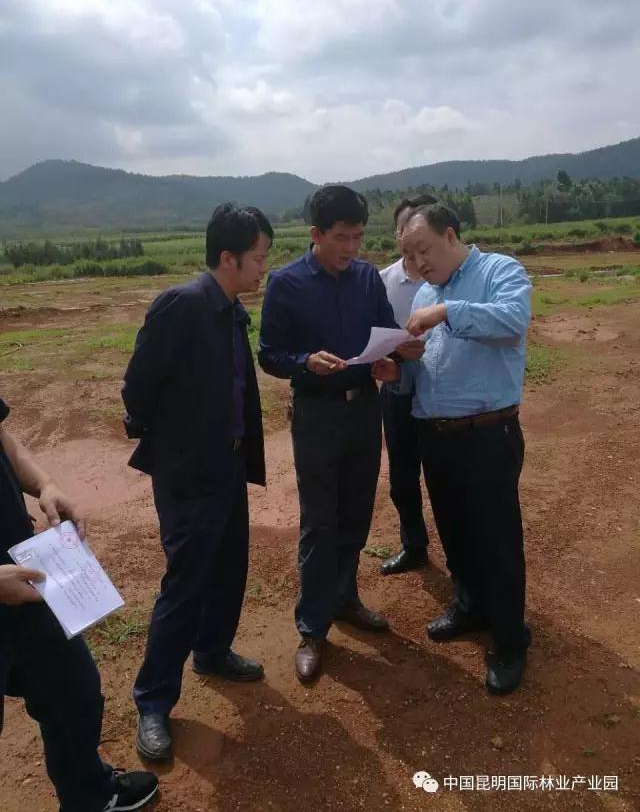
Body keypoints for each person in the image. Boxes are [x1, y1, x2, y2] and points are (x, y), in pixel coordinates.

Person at [122, 203, 271, 760]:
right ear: (228, 258)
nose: (263, 267)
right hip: (187, 473)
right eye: (258, 257)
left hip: (227, 465)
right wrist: (171, 444)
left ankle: (212, 651)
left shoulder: (230, 311)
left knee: (230, 567)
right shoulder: (181, 305)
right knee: (185, 584)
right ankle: (153, 701)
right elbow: (138, 386)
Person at [258, 185, 423, 683]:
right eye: (341, 238)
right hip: (317, 415)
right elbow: (269, 354)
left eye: (358, 237)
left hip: (364, 411)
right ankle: (312, 628)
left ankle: (346, 598)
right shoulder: (286, 283)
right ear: (316, 234)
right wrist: (304, 362)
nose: (351, 248)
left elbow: (385, 332)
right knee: (319, 521)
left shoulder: (367, 279)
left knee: (355, 511)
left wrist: (393, 360)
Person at [373, 203, 532, 695]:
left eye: (423, 250)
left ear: (450, 235)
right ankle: (470, 606)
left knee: (496, 540)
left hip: (486, 433)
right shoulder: (425, 292)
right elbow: (429, 370)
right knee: (456, 531)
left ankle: (510, 638)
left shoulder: (500, 271)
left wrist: (446, 312)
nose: (418, 263)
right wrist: (398, 371)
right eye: (409, 255)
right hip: (435, 434)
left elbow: (512, 322)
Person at [0, 397, 158, 812]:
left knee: (72, 692)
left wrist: (45, 485)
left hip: (25, 579)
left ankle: (89, 796)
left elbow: (2, 438)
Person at [378, 195, 436, 576]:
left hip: (440, 389)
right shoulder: (383, 281)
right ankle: (413, 544)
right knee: (402, 476)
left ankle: (462, 552)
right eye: (403, 229)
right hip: (397, 388)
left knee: (446, 474)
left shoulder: (446, 278)